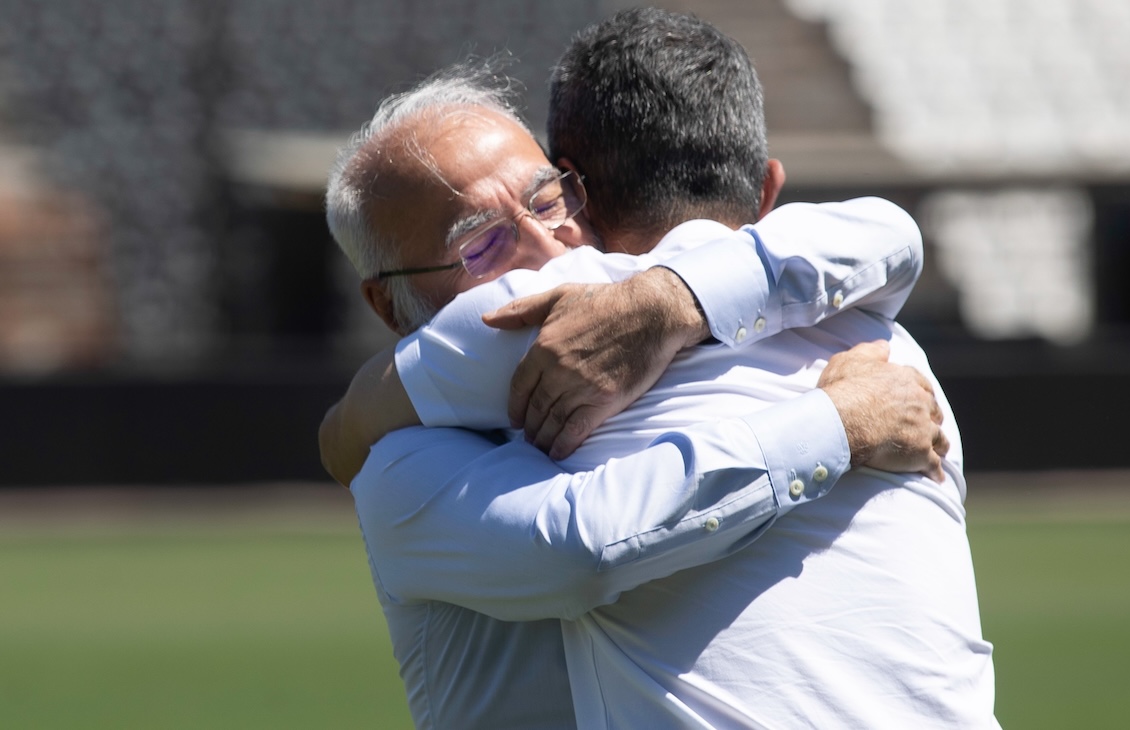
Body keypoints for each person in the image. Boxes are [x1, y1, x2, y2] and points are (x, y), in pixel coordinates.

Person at [323, 9, 996, 729]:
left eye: (550, 198)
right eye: (481, 244)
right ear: (388, 307)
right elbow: (581, 548)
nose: (549, 247)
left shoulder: (660, 295)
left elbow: (885, 234)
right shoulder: (873, 337)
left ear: (583, 186)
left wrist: (669, 299)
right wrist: (837, 423)